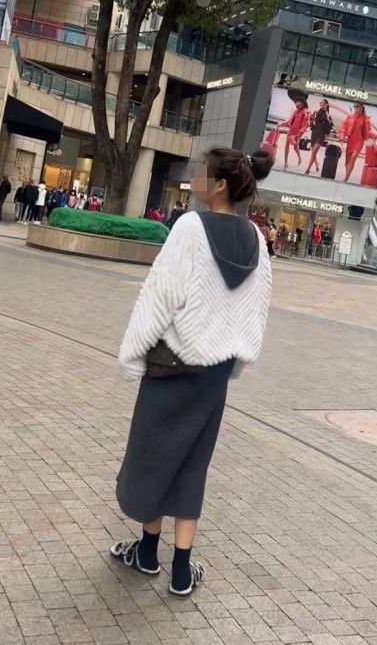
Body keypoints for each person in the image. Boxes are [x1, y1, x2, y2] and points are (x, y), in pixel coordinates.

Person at [113, 146, 274, 597]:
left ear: (219, 185)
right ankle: (181, 571)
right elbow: (256, 309)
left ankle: (147, 553)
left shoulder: (189, 226)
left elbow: (160, 295)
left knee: (152, 457)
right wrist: (234, 363)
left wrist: (132, 353)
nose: (195, 178)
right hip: (213, 375)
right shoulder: (256, 239)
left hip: (172, 365)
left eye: (202, 173)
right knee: (191, 463)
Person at [339, 103, 372, 182]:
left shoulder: (365, 119)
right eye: (355, 106)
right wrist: (342, 138)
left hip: (359, 141)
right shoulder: (350, 117)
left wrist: (374, 136)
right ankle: (347, 174)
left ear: (361, 107)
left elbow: (367, 132)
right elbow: (343, 128)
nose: (356, 108)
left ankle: (346, 179)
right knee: (347, 162)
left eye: (357, 106)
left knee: (353, 158)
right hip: (350, 141)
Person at [276, 98, 309, 170]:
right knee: (286, 145)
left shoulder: (305, 111)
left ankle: (299, 157)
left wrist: (300, 133)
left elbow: (305, 125)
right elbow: (289, 121)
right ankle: (285, 163)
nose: (298, 103)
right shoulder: (295, 111)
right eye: (297, 102)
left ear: (303, 103)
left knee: (295, 147)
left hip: (298, 132)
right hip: (291, 130)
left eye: (299, 102)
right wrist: (281, 123)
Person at [304, 100, 333, 175]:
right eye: (320, 103)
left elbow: (330, 126)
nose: (321, 104)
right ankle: (317, 164)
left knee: (314, 151)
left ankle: (308, 169)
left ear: (326, 104)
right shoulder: (315, 113)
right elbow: (310, 124)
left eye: (322, 103)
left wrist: (328, 121)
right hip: (314, 133)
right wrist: (311, 119)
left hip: (321, 135)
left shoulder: (328, 115)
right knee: (313, 152)